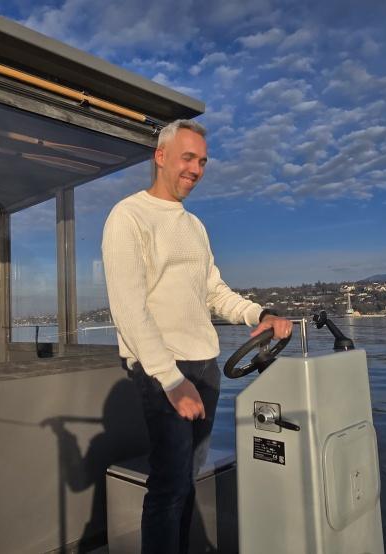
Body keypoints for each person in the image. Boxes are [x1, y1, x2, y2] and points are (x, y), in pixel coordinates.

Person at [102, 119, 293, 553]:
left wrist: (258, 314)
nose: (196, 169)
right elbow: (129, 309)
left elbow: (214, 292)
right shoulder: (128, 216)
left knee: (187, 481)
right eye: (188, 157)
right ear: (161, 156)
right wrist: (170, 380)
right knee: (169, 485)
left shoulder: (195, 227)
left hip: (206, 365)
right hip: (162, 368)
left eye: (203, 161)